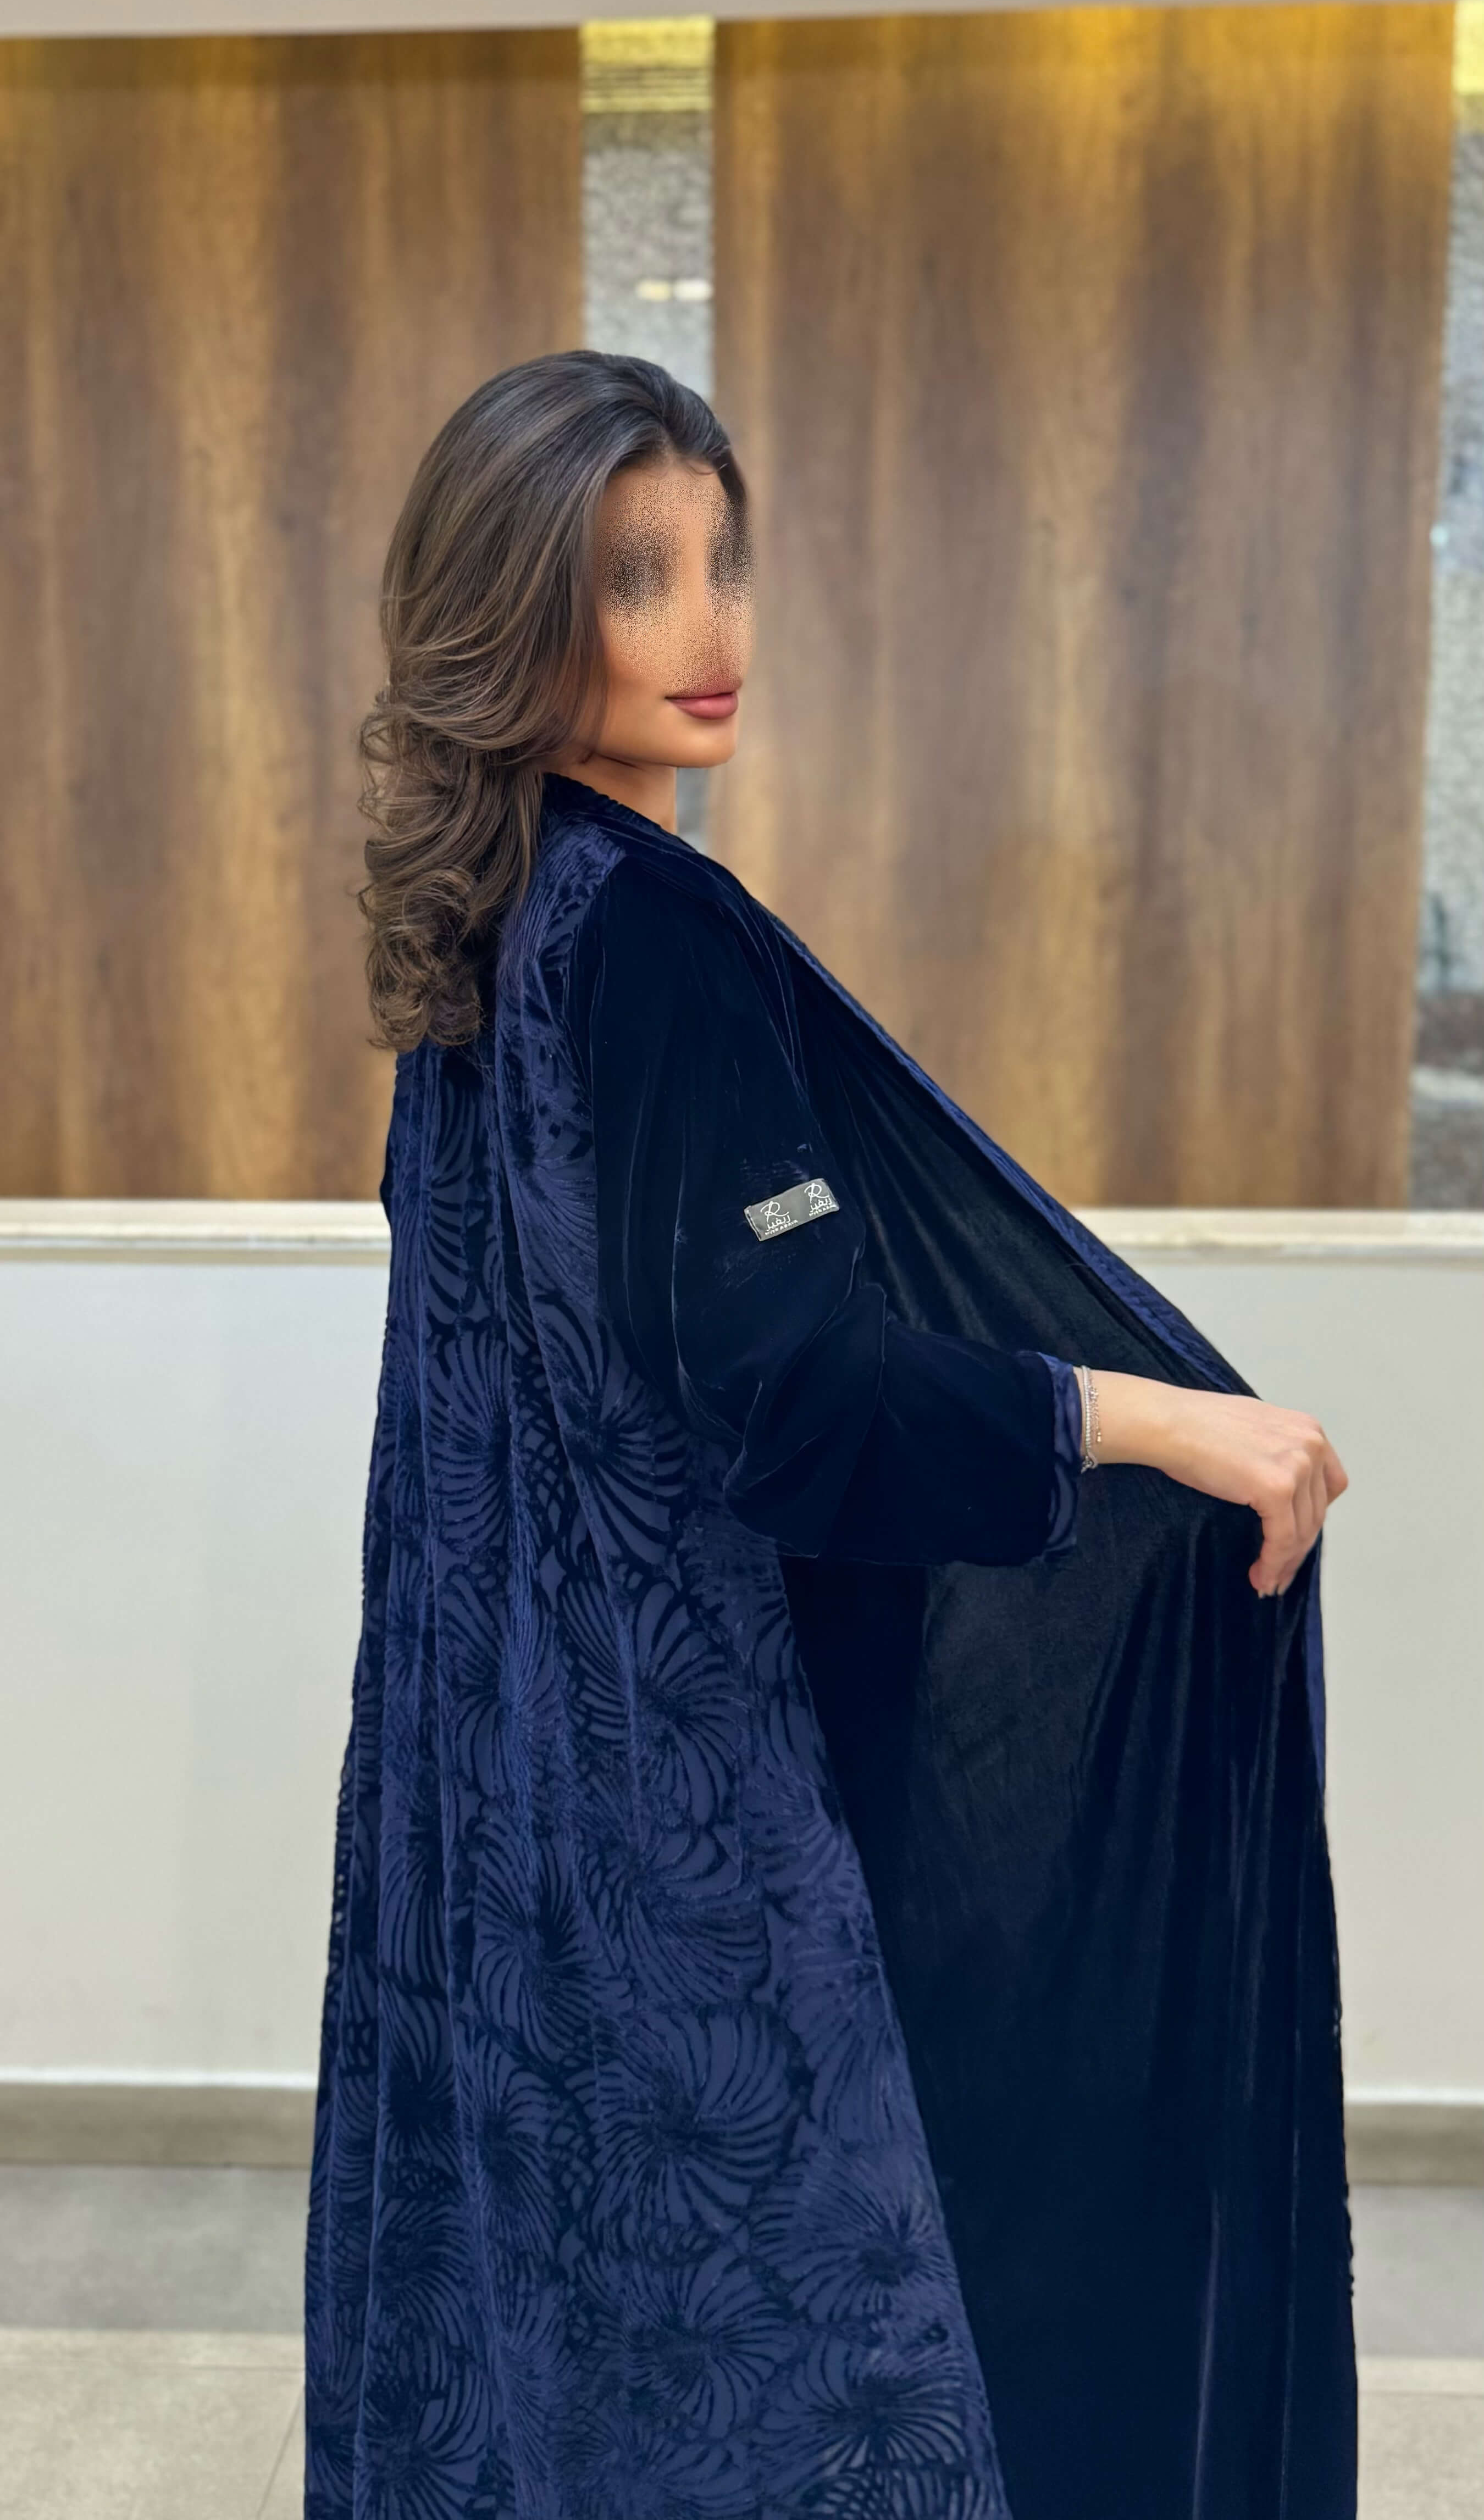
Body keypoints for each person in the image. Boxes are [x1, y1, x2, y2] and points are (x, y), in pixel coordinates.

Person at [305, 352, 1355, 2520]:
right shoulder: (653, 934)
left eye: (724, 562)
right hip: (680, 1800)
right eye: (636, 577)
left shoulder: (497, 924)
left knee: (562, 2320)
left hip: (501, 1789)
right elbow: (786, 1398)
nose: (711, 629)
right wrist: (1165, 1424)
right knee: (789, 2359)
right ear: (512, 605)